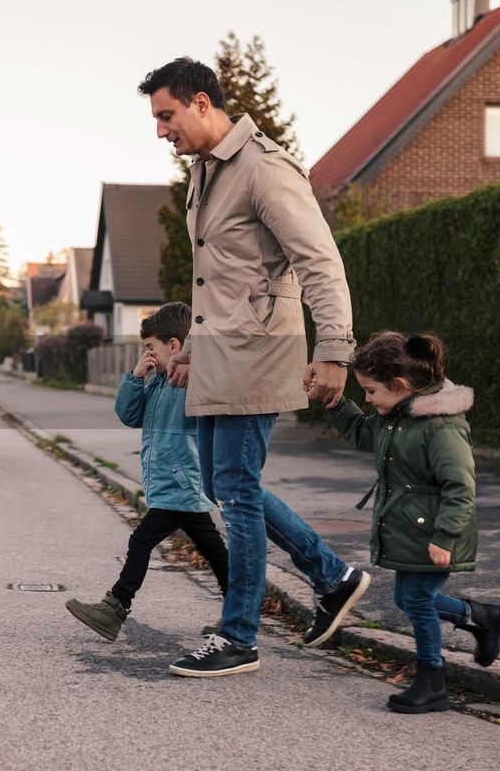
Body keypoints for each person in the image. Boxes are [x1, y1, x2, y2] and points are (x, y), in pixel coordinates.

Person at [137, 57, 371, 678]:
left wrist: (335, 350)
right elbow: (223, 280)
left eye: (167, 115)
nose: (161, 130)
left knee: (236, 493)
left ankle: (239, 635)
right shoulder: (205, 173)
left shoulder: (265, 169)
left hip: (259, 354)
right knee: (223, 486)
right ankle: (332, 576)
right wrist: (190, 348)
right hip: (220, 354)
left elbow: (320, 262)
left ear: (202, 104)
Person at [330, 332, 500, 713]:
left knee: (415, 598)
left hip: (435, 532)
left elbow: (460, 488)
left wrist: (445, 536)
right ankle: (481, 617)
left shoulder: (442, 427)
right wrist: (335, 403)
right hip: (412, 530)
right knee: (406, 597)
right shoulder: (394, 416)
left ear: (399, 385)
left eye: (370, 391)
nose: (367, 399)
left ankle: (433, 680)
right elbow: (364, 435)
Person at [66, 302, 229, 641]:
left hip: (180, 480)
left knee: (141, 540)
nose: (147, 354)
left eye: (150, 348)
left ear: (174, 346)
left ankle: (114, 608)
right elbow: (129, 415)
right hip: (174, 482)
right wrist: (136, 376)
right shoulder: (156, 383)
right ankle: (241, 611)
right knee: (214, 551)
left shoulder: (189, 382)